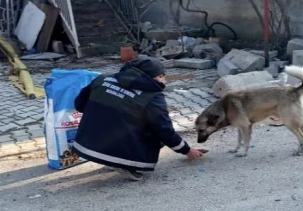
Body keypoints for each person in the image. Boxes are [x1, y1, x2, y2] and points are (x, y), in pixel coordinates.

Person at [72, 57, 204, 181]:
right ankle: (125, 163)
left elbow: (79, 104)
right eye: (161, 76)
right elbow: (164, 130)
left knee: (110, 118)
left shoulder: (102, 79)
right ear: (149, 77)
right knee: (155, 131)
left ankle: (111, 157)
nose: (164, 80)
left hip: (85, 143)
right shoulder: (153, 97)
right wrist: (186, 150)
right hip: (114, 148)